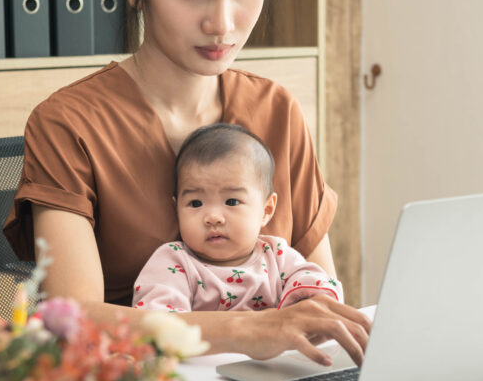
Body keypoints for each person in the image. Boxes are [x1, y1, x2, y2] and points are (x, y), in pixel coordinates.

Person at [3, 0, 369, 367]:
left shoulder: (276, 111)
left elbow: (321, 295)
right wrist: (247, 330)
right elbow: (74, 318)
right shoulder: (68, 124)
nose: (222, 23)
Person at [133, 123, 343, 313]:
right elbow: (156, 321)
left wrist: (308, 304)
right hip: (201, 355)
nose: (213, 217)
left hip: (275, 355)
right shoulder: (173, 262)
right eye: (196, 203)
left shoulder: (277, 256)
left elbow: (318, 285)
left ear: (266, 210)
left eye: (232, 202)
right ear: (176, 209)